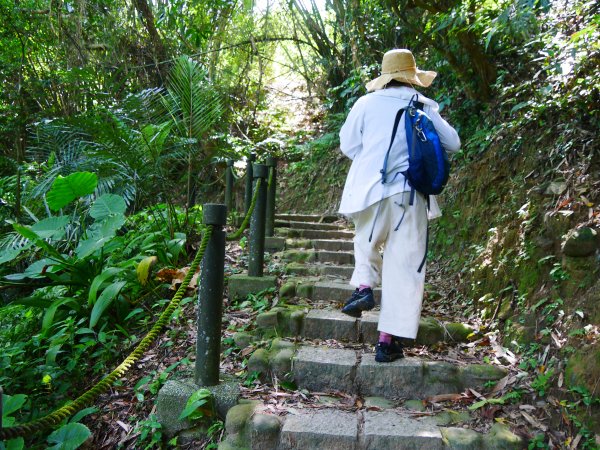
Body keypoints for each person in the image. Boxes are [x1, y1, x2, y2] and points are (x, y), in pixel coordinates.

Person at [338, 49, 461, 362]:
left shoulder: (365, 103)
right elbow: (453, 143)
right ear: (411, 76)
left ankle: (364, 286)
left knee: (366, 239)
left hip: (371, 192)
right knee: (404, 266)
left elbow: (348, 145)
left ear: (385, 76)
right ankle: (385, 342)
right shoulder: (423, 105)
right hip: (410, 197)